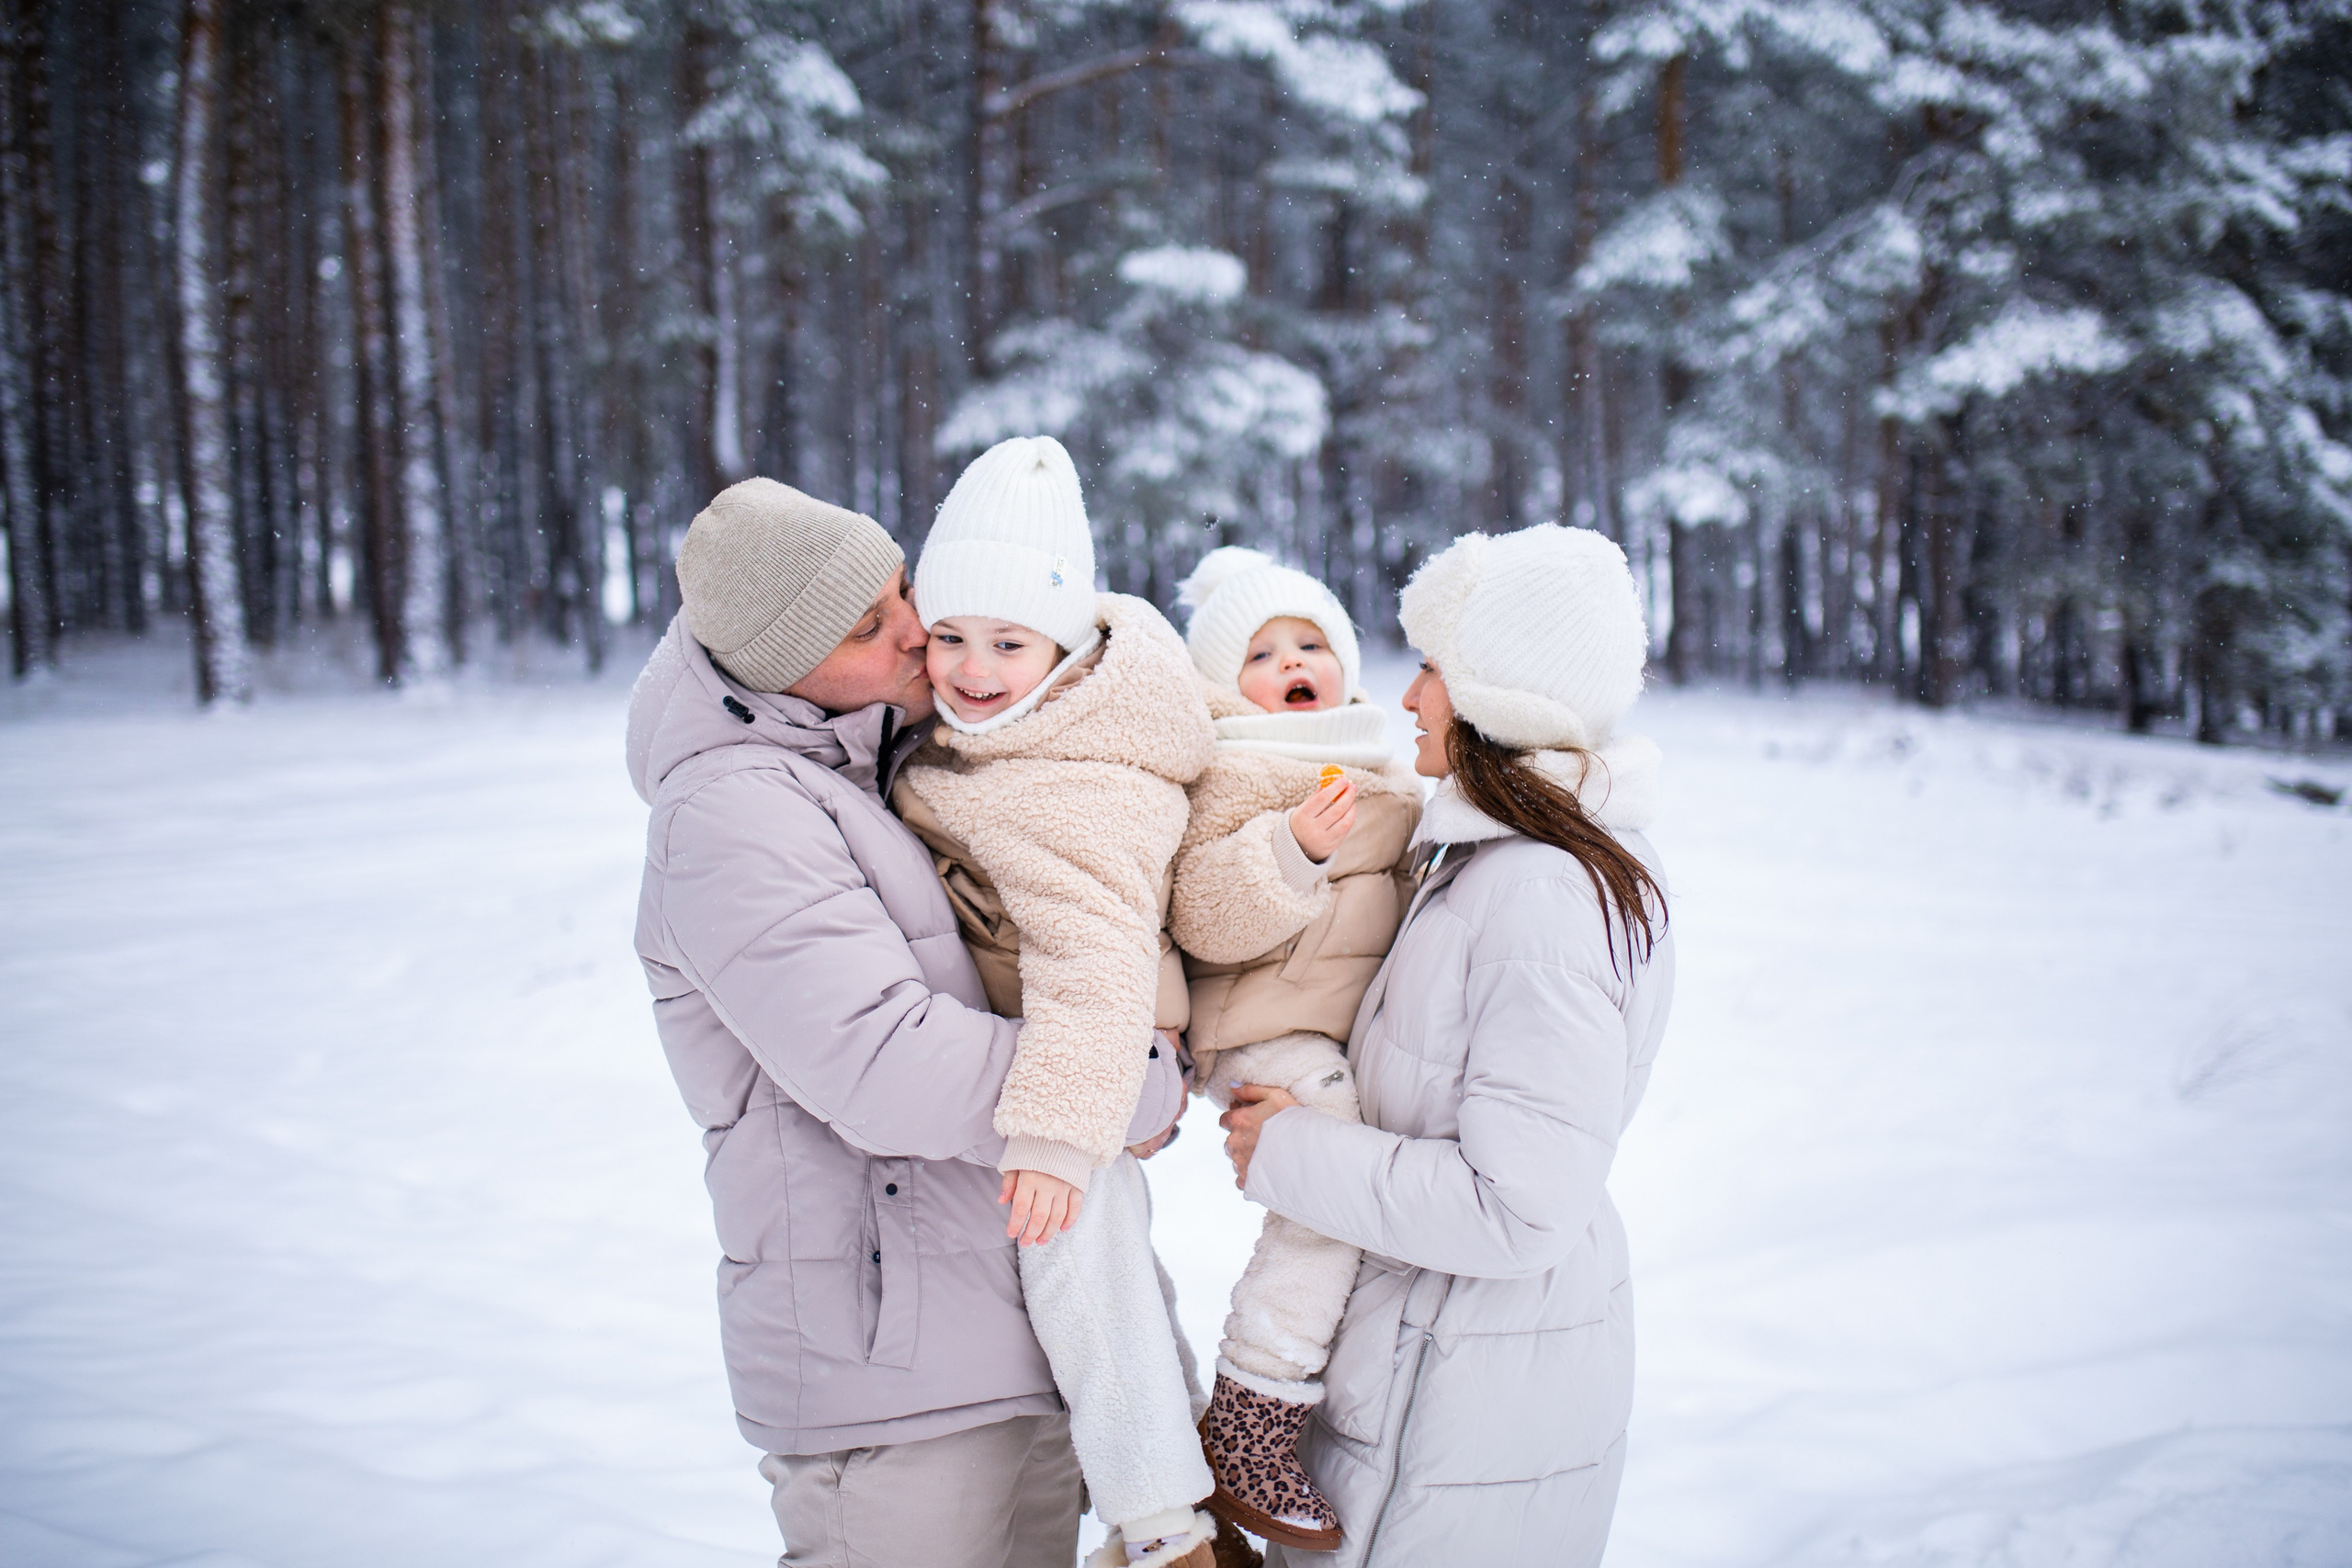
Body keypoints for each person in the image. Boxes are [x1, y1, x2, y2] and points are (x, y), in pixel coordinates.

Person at [625, 477, 1185, 1568]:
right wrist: (1132, 1081)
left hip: (1003, 1331)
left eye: (902, 594)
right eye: (867, 626)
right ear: (775, 665)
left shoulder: (881, 761)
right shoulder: (735, 813)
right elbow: (889, 1067)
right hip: (889, 1373)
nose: (915, 635)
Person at [1218, 524, 1676, 1568]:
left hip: (1466, 1391)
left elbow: (1518, 1208)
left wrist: (1292, 1152)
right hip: (1436, 1359)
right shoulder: (1495, 857)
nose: (1411, 695)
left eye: (1432, 667)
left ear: (1495, 702)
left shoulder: (1543, 893)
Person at [889, 435, 1224, 1568]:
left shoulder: (1068, 783)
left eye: (1008, 642)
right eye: (948, 637)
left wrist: (1053, 1140)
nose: (972, 669)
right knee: (1115, 1270)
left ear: (1068, 644)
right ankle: (1187, 1501)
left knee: (1075, 1251)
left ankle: (1163, 1526)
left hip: (1084, 1065)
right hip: (1080, 1058)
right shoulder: (1022, 733)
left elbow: (1091, 967)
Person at [1163, 547, 1422, 1551]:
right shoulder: (1233, 766)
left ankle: (1290, 1400)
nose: (1292, 663)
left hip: (1323, 1024)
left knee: (1351, 1197)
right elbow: (1201, 914)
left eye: (1310, 643)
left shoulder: (1376, 761)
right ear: (1226, 687)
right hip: (1262, 1025)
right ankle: (1252, 1411)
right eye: (1262, 654)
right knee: (1326, 1197)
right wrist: (1290, 849)